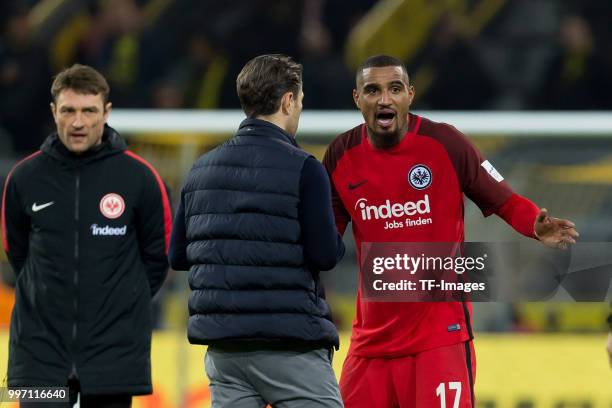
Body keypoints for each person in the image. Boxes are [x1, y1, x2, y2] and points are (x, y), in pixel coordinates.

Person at [322, 54, 579, 408]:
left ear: (410, 94)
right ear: (357, 98)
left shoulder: (445, 142)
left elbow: (503, 198)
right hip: (371, 345)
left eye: (394, 88)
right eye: (373, 90)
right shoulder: (340, 154)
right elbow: (325, 238)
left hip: (438, 339)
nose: (384, 99)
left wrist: (534, 224)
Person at [168, 54, 344, 408]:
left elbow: (178, 255)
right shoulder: (304, 168)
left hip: (225, 350)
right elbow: (325, 254)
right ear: (288, 100)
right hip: (290, 346)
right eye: (300, 102)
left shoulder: (201, 169)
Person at [1, 64, 172, 407]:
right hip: (39, 356)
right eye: (68, 111)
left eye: (89, 111)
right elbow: (15, 250)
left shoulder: (139, 178)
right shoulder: (24, 177)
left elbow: (158, 257)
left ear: (106, 112)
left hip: (113, 354)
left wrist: (121, 299)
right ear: (54, 112)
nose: (78, 122)